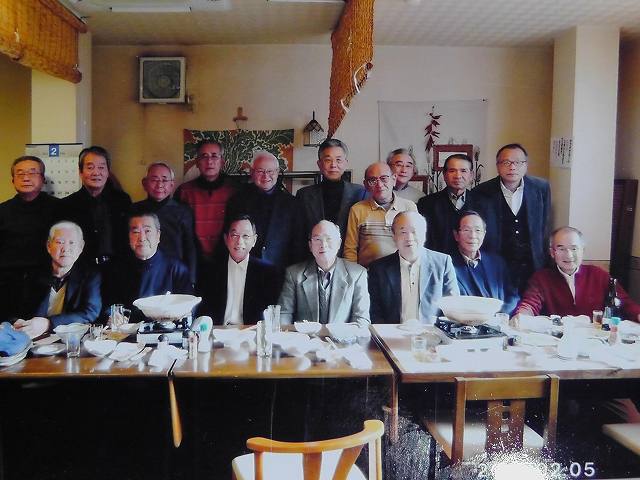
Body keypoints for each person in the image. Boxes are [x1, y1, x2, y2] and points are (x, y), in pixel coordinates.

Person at [514, 226, 640, 320]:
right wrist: (522, 316)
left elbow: (625, 302)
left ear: (582, 250)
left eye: (574, 248)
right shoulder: (542, 278)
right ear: (552, 253)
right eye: (561, 249)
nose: (569, 255)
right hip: (557, 339)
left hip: (594, 339)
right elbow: (530, 304)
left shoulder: (599, 275)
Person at [473, 144, 551, 291]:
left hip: (532, 263)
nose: (512, 167)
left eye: (518, 162)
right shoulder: (481, 192)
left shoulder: (541, 188)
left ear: (526, 165)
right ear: (497, 166)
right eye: (506, 162)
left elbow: (545, 225)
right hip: (496, 264)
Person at [13, 221, 101, 338]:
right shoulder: (32, 275)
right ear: (49, 246)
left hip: (70, 339)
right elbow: (16, 310)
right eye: (60, 242)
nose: (65, 249)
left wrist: (48, 324)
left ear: (81, 247)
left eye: (72, 243)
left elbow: (90, 313)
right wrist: (17, 321)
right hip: (33, 339)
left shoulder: (90, 275)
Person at [368, 212, 458, 323]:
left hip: (432, 331)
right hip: (392, 332)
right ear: (394, 236)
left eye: (414, 231)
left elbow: (452, 307)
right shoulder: (378, 269)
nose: (409, 238)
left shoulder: (443, 263)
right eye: (403, 232)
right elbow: (374, 312)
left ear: (424, 233)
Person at [103, 212, 192, 321]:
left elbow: (188, 307)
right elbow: (109, 305)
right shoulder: (116, 269)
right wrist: (114, 316)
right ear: (129, 237)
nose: (142, 238)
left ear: (158, 235)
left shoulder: (177, 269)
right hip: (128, 329)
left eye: (147, 231)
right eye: (135, 232)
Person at [0, 156, 60, 319]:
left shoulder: (59, 208)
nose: (26, 178)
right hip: (7, 285)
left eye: (32, 173)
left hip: (46, 283)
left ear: (42, 179)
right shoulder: (3, 211)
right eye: (20, 174)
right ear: (13, 180)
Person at [279, 220, 369, 325]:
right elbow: (284, 314)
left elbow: (361, 319)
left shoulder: (357, 274)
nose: (323, 244)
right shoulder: (294, 274)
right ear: (310, 245)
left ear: (339, 243)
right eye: (317, 239)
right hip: (305, 335)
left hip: (342, 335)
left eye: (329, 239)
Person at [198, 215, 282, 325]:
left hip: (251, 331)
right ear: (226, 239)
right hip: (218, 330)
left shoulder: (267, 272)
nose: (239, 241)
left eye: (245, 236)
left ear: (254, 240)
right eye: (234, 235)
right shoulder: (210, 270)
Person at [225, 151, 304, 268]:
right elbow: (228, 236)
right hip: (245, 267)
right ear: (252, 173)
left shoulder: (292, 204)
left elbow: (298, 243)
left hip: (280, 269)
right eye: (260, 171)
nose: (266, 176)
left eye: (270, 171)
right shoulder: (237, 201)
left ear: (277, 172)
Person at [59, 146, 132, 266]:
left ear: (108, 172)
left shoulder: (122, 201)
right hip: (82, 269)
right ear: (80, 172)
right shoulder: (67, 205)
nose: (96, 172)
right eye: (90, 167)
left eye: (101, 167)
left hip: (117, 267)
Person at [132, 162, 197, 284]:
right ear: (145, 184)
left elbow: (190, 247)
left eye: (164, 180)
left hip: (175, 273)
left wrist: (191, 279)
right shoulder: (134, 210)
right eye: (154, 180)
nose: (160, 185)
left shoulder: (183, 211)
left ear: (172, 185)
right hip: (142, 272)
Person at [296, 138, 367, 251]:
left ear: (345, 163)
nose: (333, 165)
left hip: (349, 257)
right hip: (314, 256)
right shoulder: (304, 195)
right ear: (319, 164)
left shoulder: (360, 193)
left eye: (338, 160)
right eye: (328, 160)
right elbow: (299, 234)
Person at [343, 162, 417, 267]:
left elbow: (417, 243)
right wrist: (353, 274)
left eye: (384, 178)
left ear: (394, 179)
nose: (379, 185)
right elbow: (350, 249)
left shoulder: (409, 207)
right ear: (366, 185)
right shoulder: (357, 210)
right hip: (367, 273)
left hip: (401, 271)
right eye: (373, 180)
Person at [175, 140, 237, 261]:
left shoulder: (235, 190)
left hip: (227, 257)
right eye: (204, 156)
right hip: (193, 258)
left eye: (214, 156)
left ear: (222, 162)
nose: (209, 161)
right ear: (197, 162)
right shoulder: (184, 191)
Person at [451, 211, 519, 314]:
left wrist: (500, 316)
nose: (473, 235)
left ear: (484, 234)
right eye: (466, 230)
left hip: (500, 320)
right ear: (456, 235)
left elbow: (513, 296)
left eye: (478, 230)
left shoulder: (497, 263)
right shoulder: (447, 266)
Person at [417, 153, 475, 254]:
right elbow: (423, 240)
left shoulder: (483, 203)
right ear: (444, 175)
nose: (458, 176)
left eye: (463, 171)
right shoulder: (427, 203)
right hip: (437, 260)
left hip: (470, 261)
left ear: (471, 175)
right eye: (452, 171)